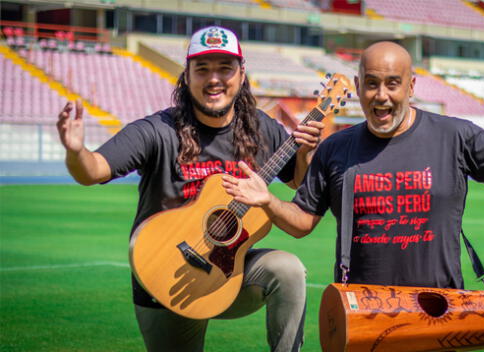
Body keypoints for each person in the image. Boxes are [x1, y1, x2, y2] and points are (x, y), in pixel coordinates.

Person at [222, 41, 484, 291]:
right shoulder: (336, 147)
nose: (381, 96)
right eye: (371, 84)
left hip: (438, 311)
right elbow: (303, 222)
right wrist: (268, 201)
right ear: (357, 86)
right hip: (363, 311)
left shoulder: (455, 137)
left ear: (411, 85)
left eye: (392, 84)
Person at [56, 26, 324, 352]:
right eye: (203, 69)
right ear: (187, 75)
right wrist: (75, 151)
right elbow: (93, 170)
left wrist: (306, 154)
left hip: (229, 273)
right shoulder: (158, 130)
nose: (214, 78)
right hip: (169, 277)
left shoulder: (261, 127)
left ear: (241, 75)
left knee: (288, 269)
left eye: (225, 68)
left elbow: (296, 182)